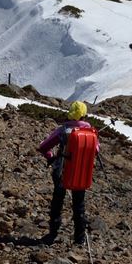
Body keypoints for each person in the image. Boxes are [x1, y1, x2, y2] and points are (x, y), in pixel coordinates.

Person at [36, 100, 99, 245]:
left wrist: (51, 157)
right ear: (84, 115)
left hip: (62, 171)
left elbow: (44, 146)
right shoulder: (91, 132)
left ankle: (53, 233)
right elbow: (96, 150)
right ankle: (80, 238)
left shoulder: (63, 130)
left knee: (57, 201)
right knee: (79, 204)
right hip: (81, 173)